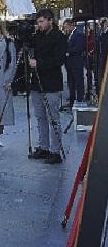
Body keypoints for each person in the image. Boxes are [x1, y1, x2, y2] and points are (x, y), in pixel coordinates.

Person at [28, 9, 67, 164]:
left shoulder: (59, 37)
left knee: (53, 119)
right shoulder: (37, 36)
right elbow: (26, 46)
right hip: (37, 84)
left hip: (52, 84)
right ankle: (43, 147)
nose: (39, 25)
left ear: (50, 20)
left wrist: (39, 63)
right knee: (40, 117)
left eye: (41, 21)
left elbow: (59, 60)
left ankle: (55, 151)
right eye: (38, 22)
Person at [62, 20, 85, 107]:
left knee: (78, 82)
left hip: (76, 62)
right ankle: (72, 100)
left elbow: (79, 47)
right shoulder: (68, 35)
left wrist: (67, 52)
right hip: (69, 63)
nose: (65, 29)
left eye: (66, 27)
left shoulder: (78, 34)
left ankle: (80, 99)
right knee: (71, 82)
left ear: (70, 25)